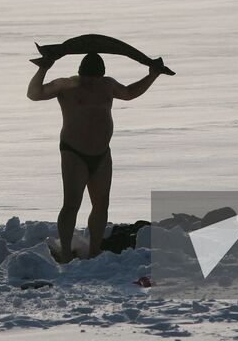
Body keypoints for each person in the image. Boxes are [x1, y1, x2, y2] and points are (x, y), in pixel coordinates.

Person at [27, 51, 163, 261]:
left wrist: (153, 74)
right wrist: (43, 68)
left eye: (95, 78)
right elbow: (34, 94)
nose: (91, 82)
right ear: (80, 73)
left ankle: (94, 251)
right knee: (72, 203)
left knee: (101, 204)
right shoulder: (67, 85)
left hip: (102, 153)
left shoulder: (107, 85)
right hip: (74, 152)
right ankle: (64, 254)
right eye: (87, 78)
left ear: (102, 75)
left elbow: (129, 92)